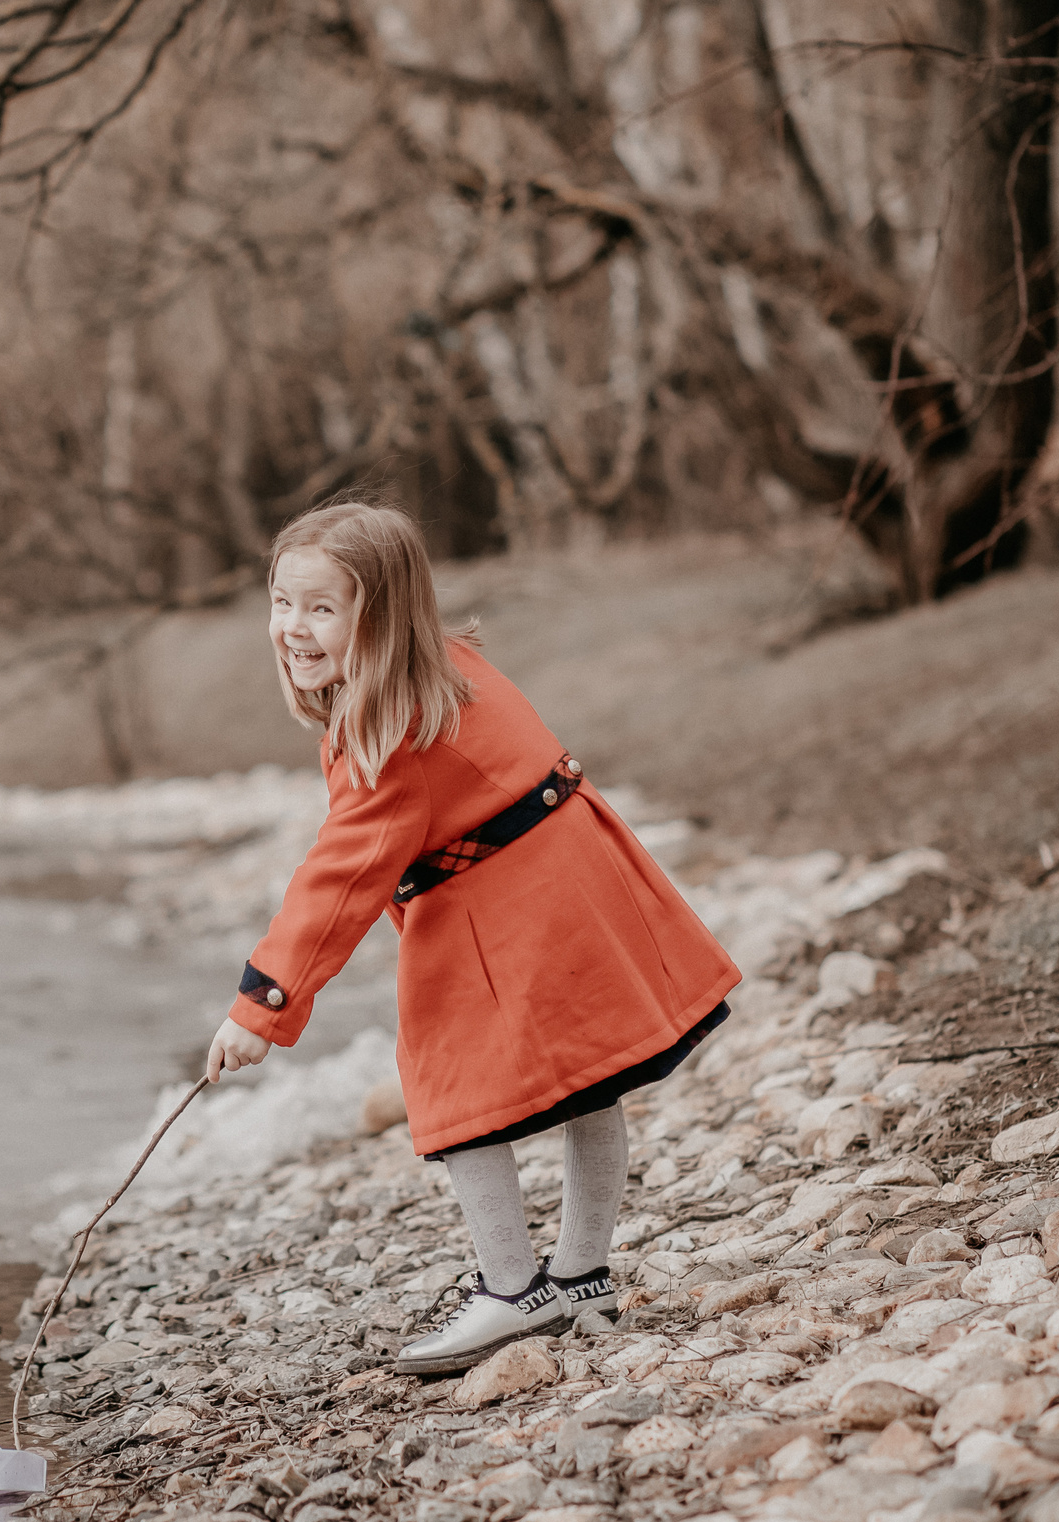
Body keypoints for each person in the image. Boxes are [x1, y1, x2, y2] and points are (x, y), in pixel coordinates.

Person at [204, 501, 739, 1374]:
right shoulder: (449, 665)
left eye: (321, 608)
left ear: (381, 617)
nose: (293, 627)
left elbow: (339, 881)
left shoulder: (390, 732)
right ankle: (581, 1276)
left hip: (511, 905)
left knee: (453, 1091)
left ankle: (513, 1291)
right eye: (282, 601)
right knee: (591, 1079)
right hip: (571, 880)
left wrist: (261, 1004)